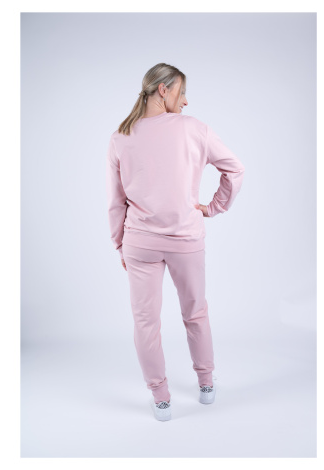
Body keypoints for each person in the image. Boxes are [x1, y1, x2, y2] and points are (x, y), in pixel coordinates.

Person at [106, 63, 245, 421]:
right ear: (163, 90)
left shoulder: (121, 136)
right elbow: (235, 169)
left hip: (140, 243)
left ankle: (161, 399)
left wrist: (120, 244)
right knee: (196, 313)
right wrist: (214, 207)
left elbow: (115, 201)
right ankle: (206, 385)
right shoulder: (194, 128)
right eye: (182, 92)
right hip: (186, 238)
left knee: (145, 322)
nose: (185, 101)